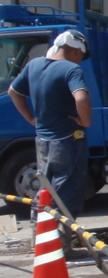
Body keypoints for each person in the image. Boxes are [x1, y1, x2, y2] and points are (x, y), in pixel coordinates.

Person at [8, 29, 92, 256]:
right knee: (65, 194)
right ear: (76, 50)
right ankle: (59, 248)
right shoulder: (71, 69)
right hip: (67, 141)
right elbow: (82, 98)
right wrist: (84, 121)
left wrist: (31, 119)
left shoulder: (34, 65)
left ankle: (40, 242)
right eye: (81, 56)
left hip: (43, 139)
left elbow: (13, 91)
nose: (80, 60)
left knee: (44, 191)